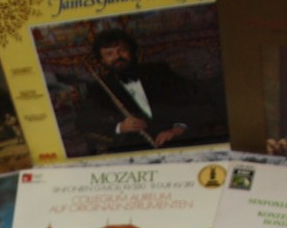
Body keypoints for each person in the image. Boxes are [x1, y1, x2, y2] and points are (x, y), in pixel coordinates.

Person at [76, 27, 216, 152]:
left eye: (122, 50)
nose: (117, 56)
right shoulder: (98, 88)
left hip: (177, 140)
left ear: (132, 52)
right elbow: (83, 123)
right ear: (102, 61)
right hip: (135, 147)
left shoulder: (160, 70)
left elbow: (196, 98)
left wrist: (179, 128)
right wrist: (120, 127)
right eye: (109, 54)